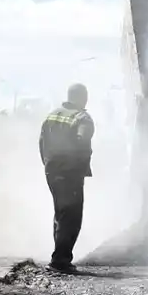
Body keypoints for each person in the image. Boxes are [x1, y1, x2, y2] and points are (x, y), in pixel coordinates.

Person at [39, 83, 94, 273]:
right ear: (82, 97)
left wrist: (48, 163)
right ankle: (60, 261)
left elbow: (41, 142)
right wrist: (77, 166)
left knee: (61, 214)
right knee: (71, 217)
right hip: (70, 173)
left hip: (51, 170)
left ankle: (59, 257)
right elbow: (82, 141)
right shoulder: (82, 118)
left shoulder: (52, 115)